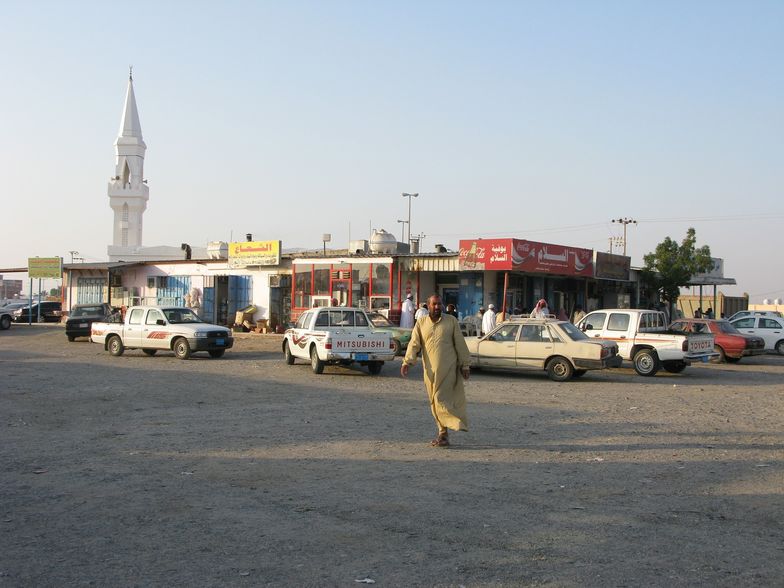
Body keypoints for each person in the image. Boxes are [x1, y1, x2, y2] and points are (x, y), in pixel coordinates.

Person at [400, 294, 471, 448]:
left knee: (439, 399)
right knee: (433, 402)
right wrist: (407, 362)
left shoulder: (451, 321)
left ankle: (444, 433)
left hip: (448, 371)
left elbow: (460, 343)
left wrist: (465, 364)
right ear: (428, 305)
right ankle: (443, 430)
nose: (438, 307)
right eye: (434, 304)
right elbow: (414, 344)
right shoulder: (421, 322)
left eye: (440, 304)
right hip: (430, 373)